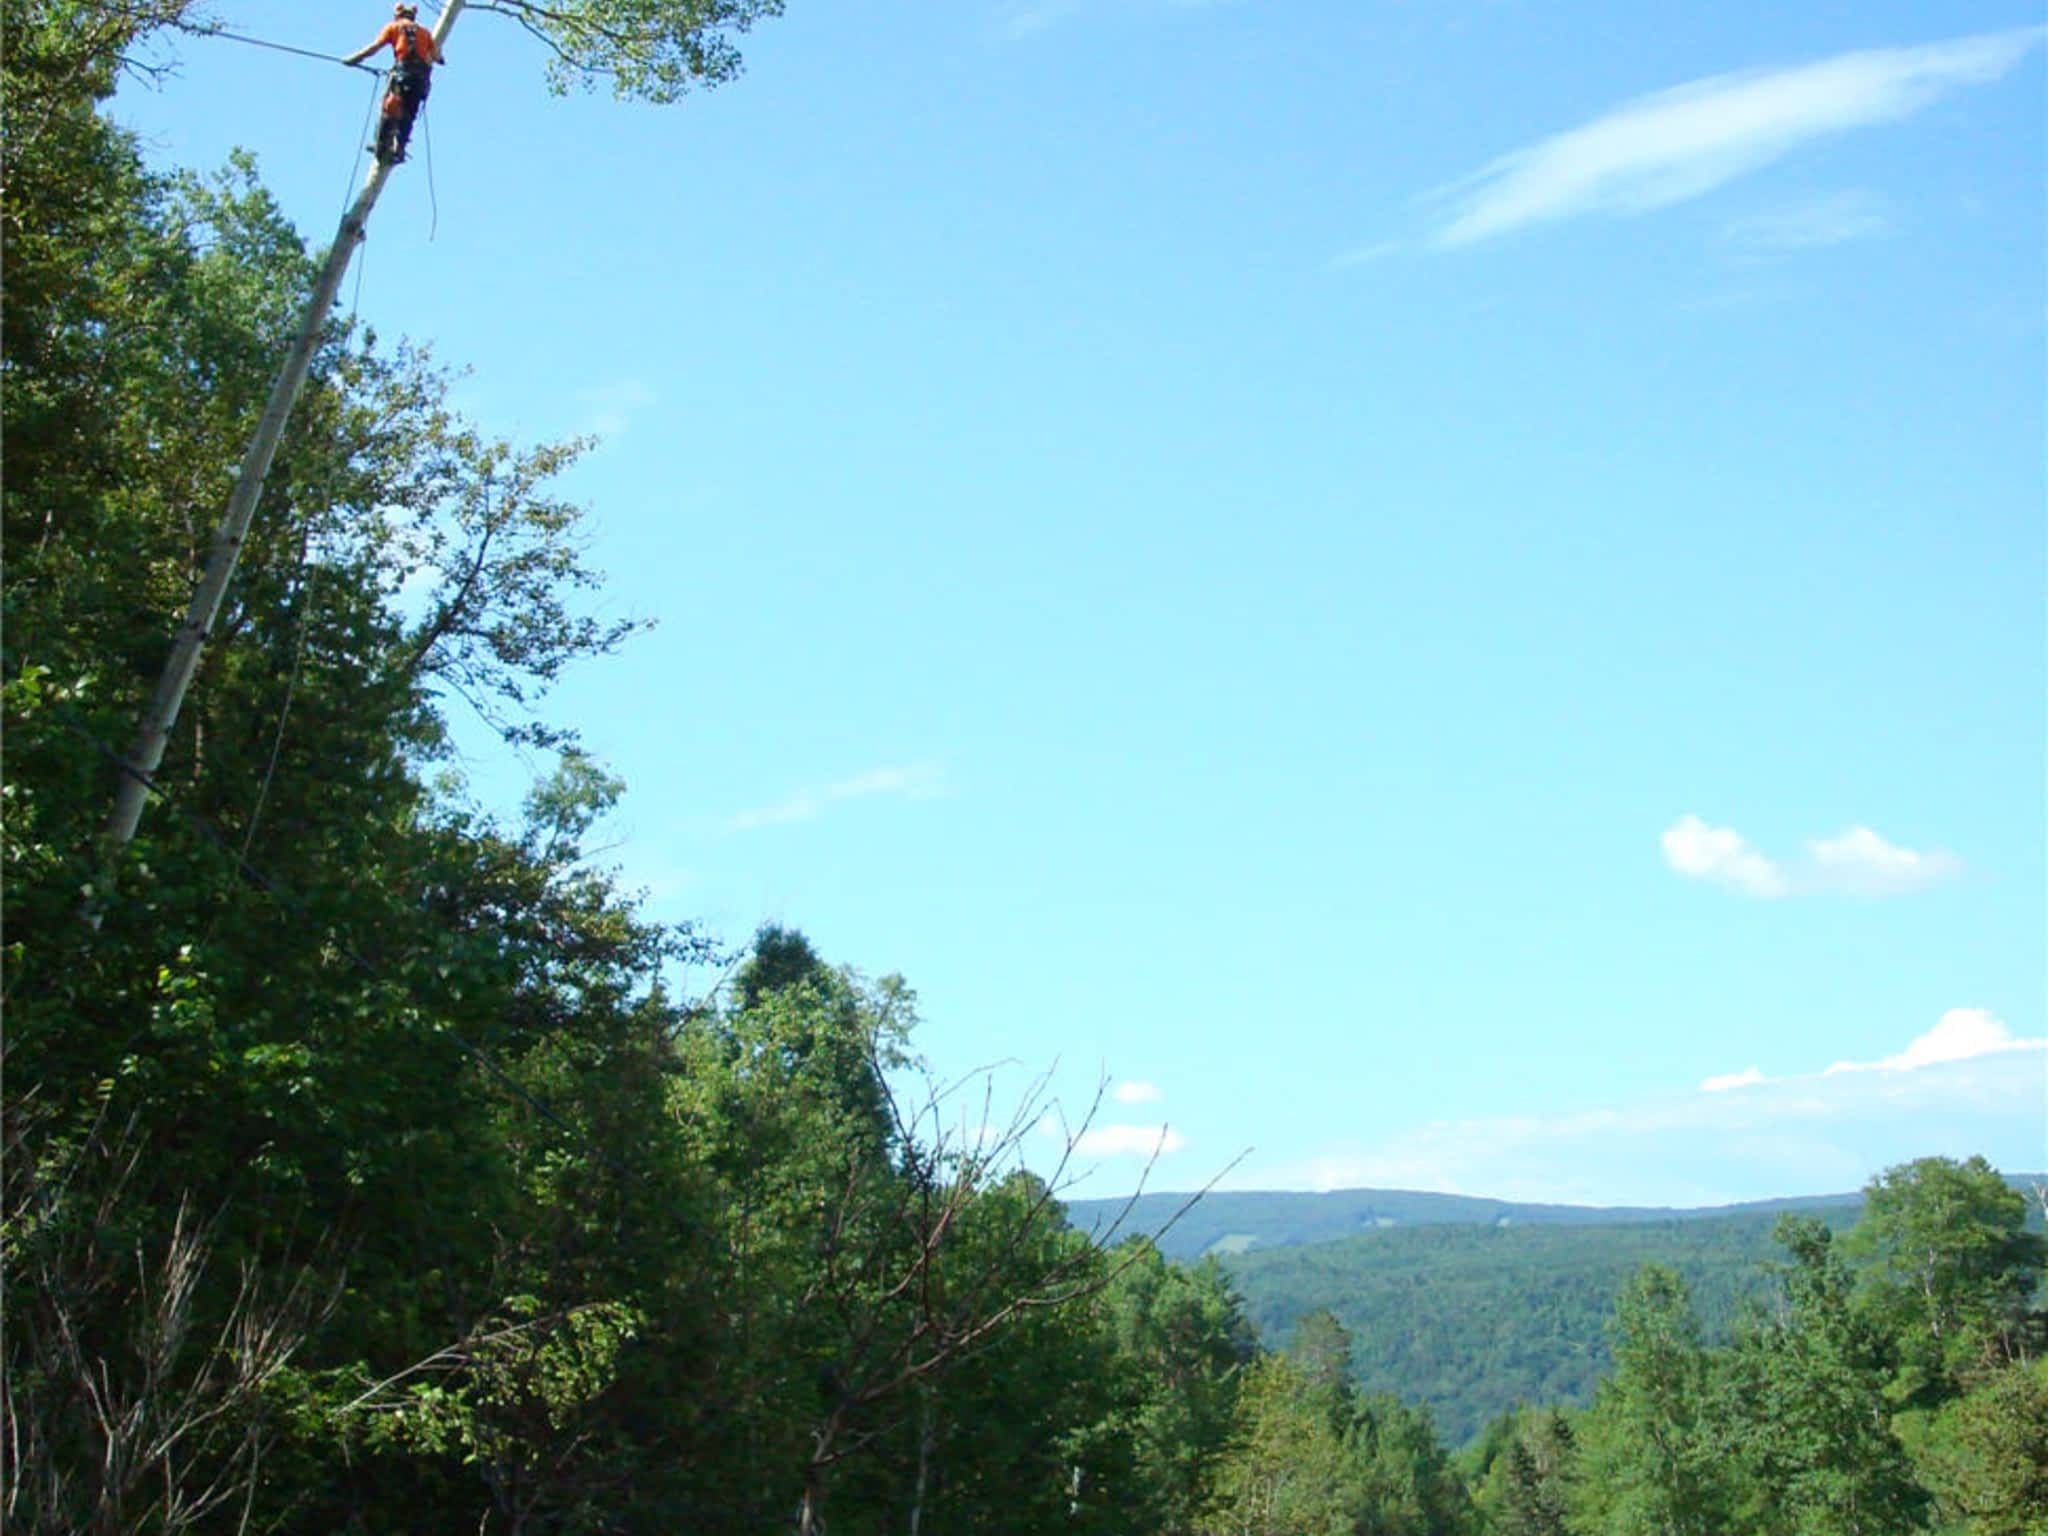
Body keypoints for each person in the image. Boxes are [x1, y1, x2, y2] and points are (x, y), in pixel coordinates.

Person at [345, 4, 444, 165]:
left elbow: (374, 47)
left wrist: (355, 59)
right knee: (409, 114)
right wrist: (434, 55)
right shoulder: (425, 32)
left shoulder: (394, 27)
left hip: (403, 74)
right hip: (420, 80)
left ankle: (383, 144)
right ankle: (400, 148)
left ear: (398, 16)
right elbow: (438, 57)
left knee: (390, 107)